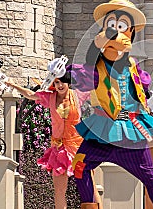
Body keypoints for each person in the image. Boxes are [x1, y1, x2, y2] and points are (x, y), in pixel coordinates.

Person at [69, 0, 153, 209]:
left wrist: (149, 95)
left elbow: (140, 86)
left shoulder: (133, 66)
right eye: (111, 26)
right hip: (102, 131)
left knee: (150, 176)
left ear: (130, 33)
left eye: (121, 27)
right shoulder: (95, 65)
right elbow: (84, 70)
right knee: (79, 165)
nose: (115, 32)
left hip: (129, 133)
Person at [6, 72, 103, 209]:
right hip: (59, 149)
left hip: (78, 147)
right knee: (59, 191)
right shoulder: (50, 98)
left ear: (68, 82)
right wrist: (13, 84)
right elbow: (30, 94)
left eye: (62, 81)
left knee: (90, 189)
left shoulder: (78, 96)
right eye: (56, 82)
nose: (60, 85)